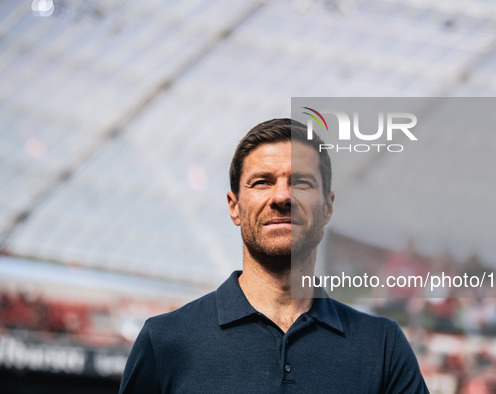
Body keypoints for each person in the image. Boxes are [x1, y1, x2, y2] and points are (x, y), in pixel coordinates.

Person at [119, 119, 429, 393]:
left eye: (301, 182)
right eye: (262, 182)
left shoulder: (382, 347)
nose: (281, 196)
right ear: (234, 206)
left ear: (328, 207)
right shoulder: (165, 341)